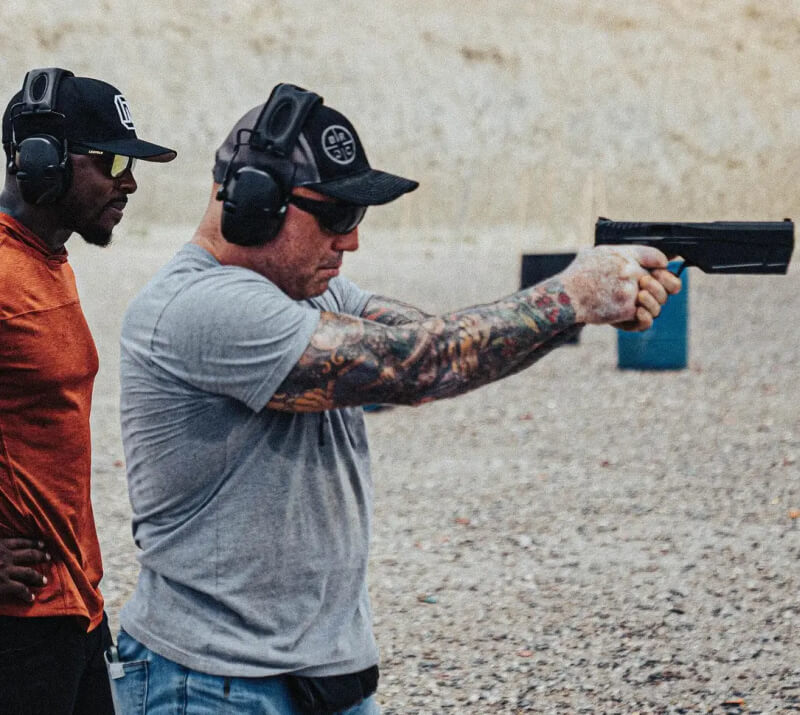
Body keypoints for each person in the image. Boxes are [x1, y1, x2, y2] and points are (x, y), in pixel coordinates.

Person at [112, 83, 681, 714]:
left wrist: (581, 312)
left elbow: (436, 345)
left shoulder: (308, 292)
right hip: (213, 686)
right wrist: (570, 299)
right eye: (336, 217)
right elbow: (415, 365)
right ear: (253, 205)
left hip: (326, 676)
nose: (350, 241)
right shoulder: (200, 307)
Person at [0, 67, 176, 715]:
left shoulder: (48, 259)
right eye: (109, 160)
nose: (129, 181)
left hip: (73, 608)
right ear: (38, 158)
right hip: (16, 631)